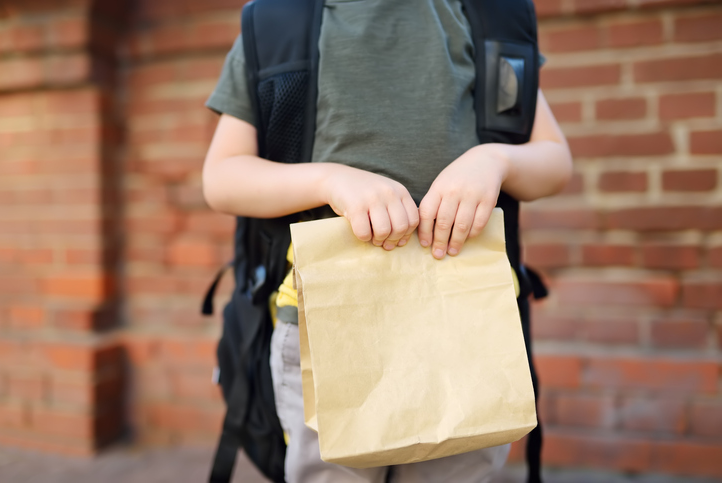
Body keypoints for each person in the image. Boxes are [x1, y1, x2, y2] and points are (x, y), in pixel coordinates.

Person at [203, 2, 572, 482]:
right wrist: (330, 181)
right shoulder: (280, 22)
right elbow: (222, 176)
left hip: (465, 323)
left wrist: (495, 161)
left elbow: (555, 161)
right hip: (327, 325)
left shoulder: (489, 17)